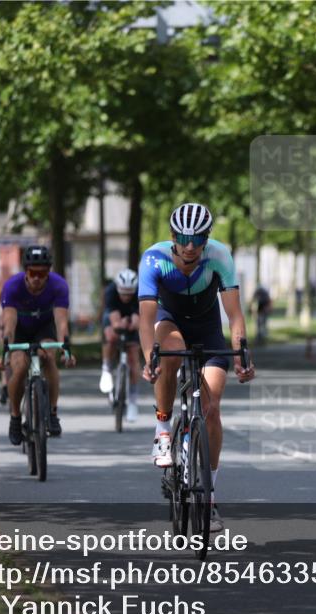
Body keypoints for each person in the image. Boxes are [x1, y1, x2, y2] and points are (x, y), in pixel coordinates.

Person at [138, 203, 256, 532]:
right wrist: (151, 356)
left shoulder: (219, 257)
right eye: (184, 237)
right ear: (173, 236)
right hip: (169, 323)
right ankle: (163, 430)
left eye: (198, 238)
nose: (191, 246)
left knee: (211, 408)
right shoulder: (154, 258)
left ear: (207, 238)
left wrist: (241, 355)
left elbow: (234, 315)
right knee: (170, 352)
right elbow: (146, 318)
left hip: (206, 330)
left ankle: (210, 495)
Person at [0, 245, 76, 445]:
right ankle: (15, 418)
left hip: (44, 327)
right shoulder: (12, 286)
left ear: (49, 272)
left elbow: (61, 322)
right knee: (20, 367)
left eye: (42, 273)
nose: (37, 278)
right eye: (33, 273)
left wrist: (65, 349)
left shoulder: (58, 285)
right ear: (26, 272)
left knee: (48, 356)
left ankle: (53, 412)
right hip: (20, 329)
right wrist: (6, 351)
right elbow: (9, 324)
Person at [99, 268, 142, 421]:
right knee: (111, 336)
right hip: (114, 316)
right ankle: (106, 368)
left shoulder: (140, 292)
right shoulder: (110, 292)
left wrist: (131, 323)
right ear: (117, 288)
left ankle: (133, 401)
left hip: (131, 316)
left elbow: (137, 322)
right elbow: (115, 321)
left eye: (129, 293)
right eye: (123, 292)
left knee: (133, 356)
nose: (126, 296)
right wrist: (119, 325)